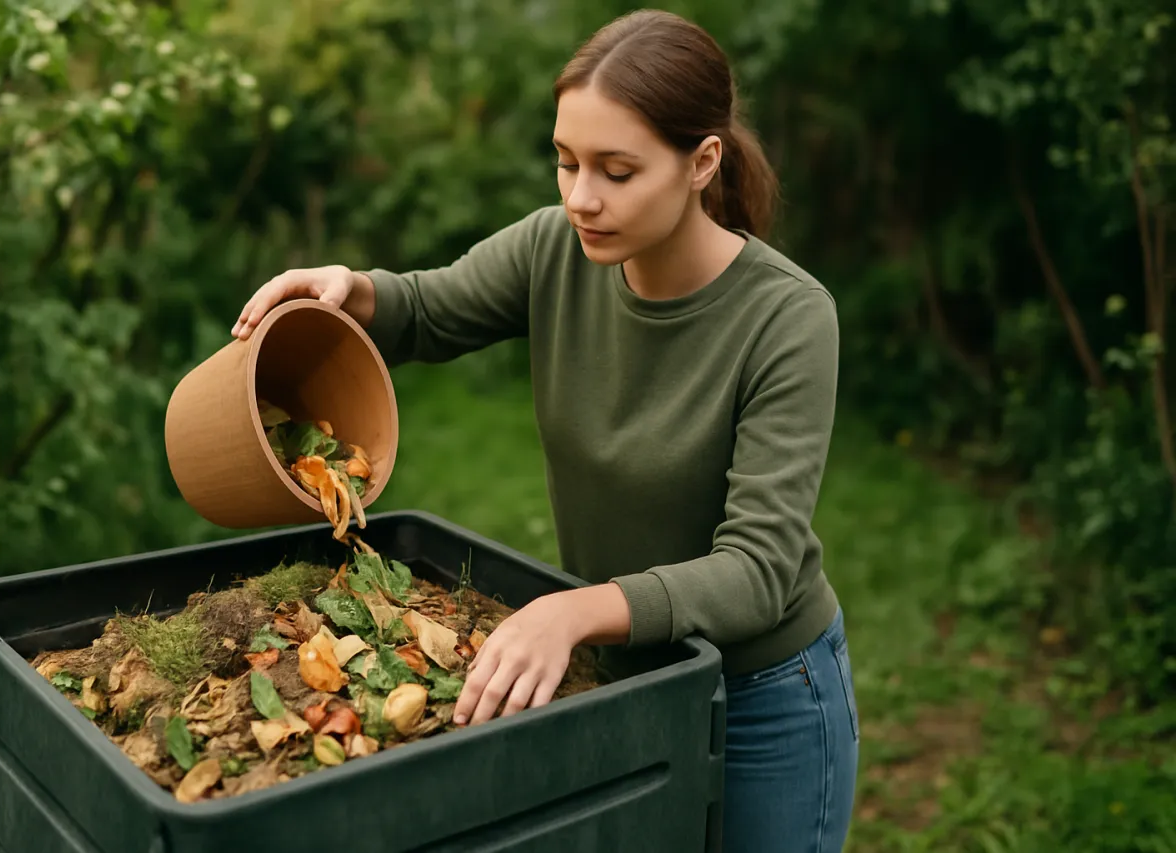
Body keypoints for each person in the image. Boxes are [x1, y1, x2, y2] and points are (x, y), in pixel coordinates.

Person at [231, 8, 858, 851]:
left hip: (762, 699)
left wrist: (571, 613)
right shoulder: (555, 248)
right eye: (565, 161)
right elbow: (426, 307)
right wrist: (348, 285)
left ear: (703, 162)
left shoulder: (787, 318)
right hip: (620, 673)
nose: (580, 197)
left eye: (617, 170)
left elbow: (759, 569)